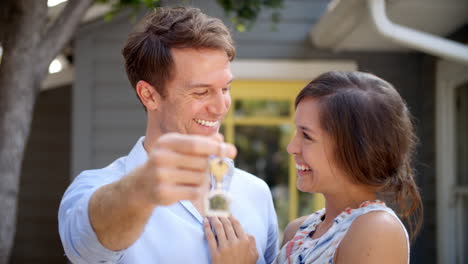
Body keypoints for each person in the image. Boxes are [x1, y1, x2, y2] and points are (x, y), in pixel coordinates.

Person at [58, 6, 278, 264]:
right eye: (201, 92)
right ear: (149, 95)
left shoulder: (256, 193)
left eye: (225, 88)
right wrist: (144, 187)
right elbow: (85, 246)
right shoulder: (94, 189)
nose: (220, 107)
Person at [205, 71, 423, 264]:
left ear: (356, 148)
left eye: (307, 136)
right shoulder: (298, 231)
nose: (292, 147)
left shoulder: (377, 230)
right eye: (295, 132)